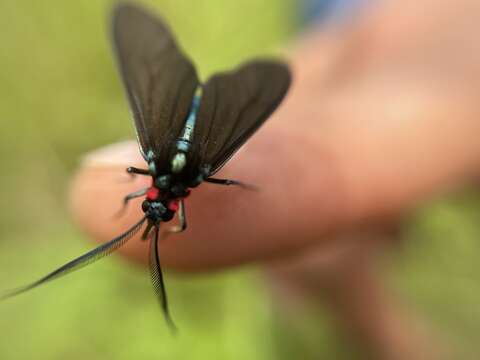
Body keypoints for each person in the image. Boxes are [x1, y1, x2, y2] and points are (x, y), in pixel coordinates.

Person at [70, 0, 480, 358]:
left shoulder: (182, 171)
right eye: (160, 211)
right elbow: (173, 212)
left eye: (146, 204)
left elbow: (183, 217)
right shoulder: (164, 166)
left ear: (157, 194)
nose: (158, 210)